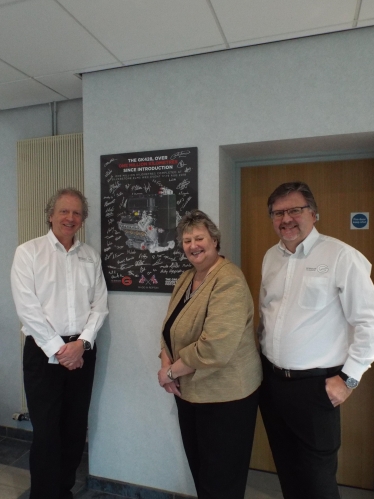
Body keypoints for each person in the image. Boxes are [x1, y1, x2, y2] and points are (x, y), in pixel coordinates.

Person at [258, 181, 374, 499]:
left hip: (315, 388)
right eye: (278, 212)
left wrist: (349, 378)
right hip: (273, 383)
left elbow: (369, 321)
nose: (286, 218)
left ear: (313, 213)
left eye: (295, 209)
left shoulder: (341, 256)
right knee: (287, 468)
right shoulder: (271, 257)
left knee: (317, 479)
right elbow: (267, 314)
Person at [11, 187, 108, 499]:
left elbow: (100, 306)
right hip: (42, 355)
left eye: (76, 213)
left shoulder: (90, 257)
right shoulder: (28, 253)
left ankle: (63, 490)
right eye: (64, 211)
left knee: (75, 429)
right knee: (47, 432)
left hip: (82, 353)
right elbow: (28, 308)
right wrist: (58, 349)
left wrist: (81, 344)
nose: (70, 217)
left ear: (83, 220)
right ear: (50, 215)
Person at [158, 209, 262, 499]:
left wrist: (169, 373)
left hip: (226, 398)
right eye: (187, 240)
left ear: (215, 240)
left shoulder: (228, 280)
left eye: (200, 237)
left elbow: (215, 346)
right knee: (203, 473)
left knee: (221, 482)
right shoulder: (187, 278)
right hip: (191, 394)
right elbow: (170, 328)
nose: (193, 245)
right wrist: (165, 359)